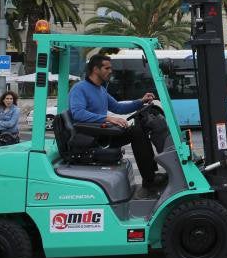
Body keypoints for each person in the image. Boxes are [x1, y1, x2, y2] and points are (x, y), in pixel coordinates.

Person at [68, 54, 164, 188]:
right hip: (92, 138)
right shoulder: (79, 89)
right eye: (107, 68)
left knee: (139, 130)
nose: (110, 71)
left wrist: (140, 102)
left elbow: (118, 107)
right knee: (136, 133)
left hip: (102, 132)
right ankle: (149, 180)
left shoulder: (100, 89)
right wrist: (108, 118)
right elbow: (78, 113)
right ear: (96, 69)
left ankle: (151, 175)